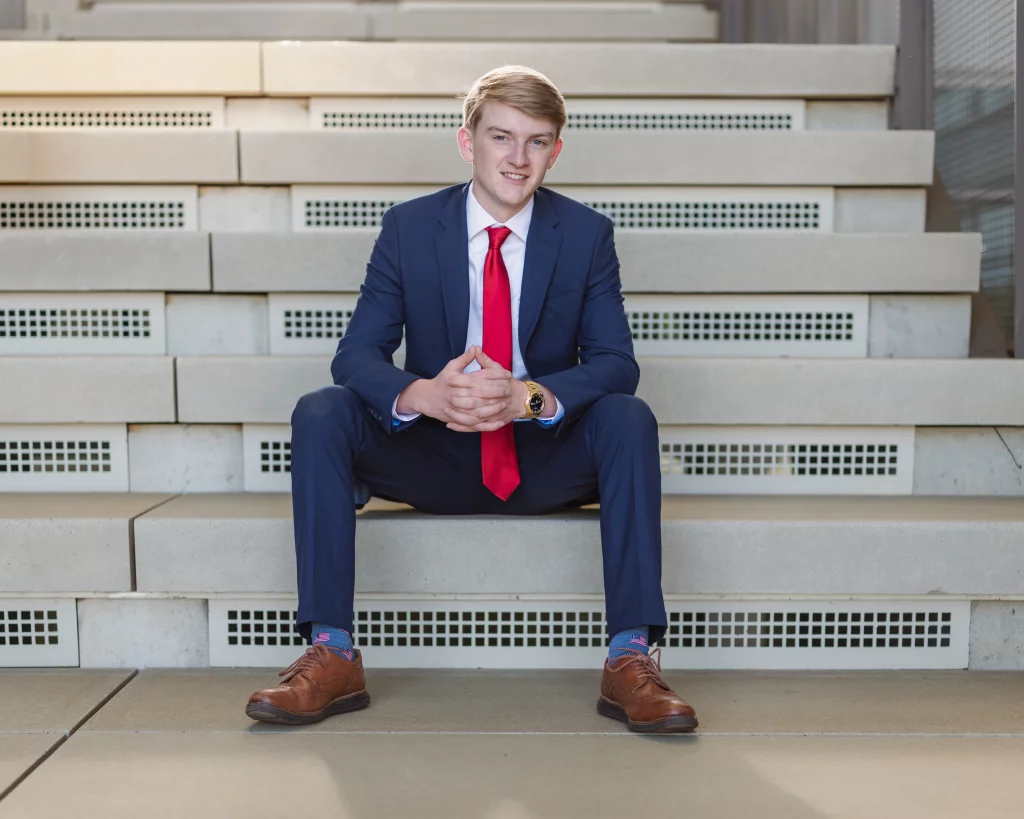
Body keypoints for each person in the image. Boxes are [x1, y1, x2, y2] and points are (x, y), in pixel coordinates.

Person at [246, 65, 698, 734]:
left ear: (556, 150)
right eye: (501, 138)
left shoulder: (584, 234)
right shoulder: (408, 228)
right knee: (323, 409)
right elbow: (355, 356)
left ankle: (631, 655)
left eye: (537, 142)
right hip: (436, 451)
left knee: (628, 417)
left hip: (539, 457)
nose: (518, 159)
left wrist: (531, 397)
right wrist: (420, 393)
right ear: (468, 142)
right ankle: (332, 650)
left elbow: (616, 364)